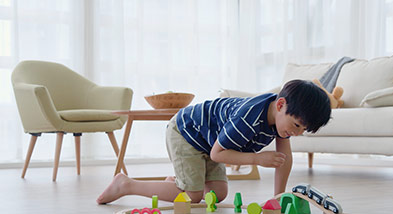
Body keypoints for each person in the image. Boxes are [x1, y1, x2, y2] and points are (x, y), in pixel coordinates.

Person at [96, 79, 331, 204]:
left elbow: (284, 159)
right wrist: (257, 159)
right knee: (193, 197)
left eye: (304, 129)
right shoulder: (247, 119)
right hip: (186, 132)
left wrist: (277, 197)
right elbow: (218, 154)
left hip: (210, 141)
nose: (298, 133)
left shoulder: (282, 121)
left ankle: (177, 182)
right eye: (297, 126)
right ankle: (126, 184)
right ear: (280, 105)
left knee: (218, 193)